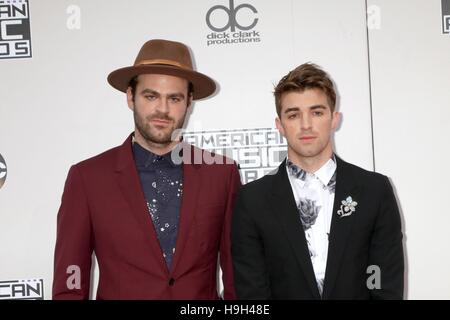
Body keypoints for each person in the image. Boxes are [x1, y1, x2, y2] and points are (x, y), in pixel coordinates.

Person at [52, 39, 241, 299]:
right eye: (151, 96)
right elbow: (70, 282)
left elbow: (238, 276)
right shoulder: (88, 179)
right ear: (130, 97)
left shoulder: (221, 175)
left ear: (189, 101)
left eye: (174, 98)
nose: (162, 109)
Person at [231, 63, 404, 299]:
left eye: (317, 112)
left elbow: (385, 286)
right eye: (293, 115)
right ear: (280, 125)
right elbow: (252, 294)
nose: (306, 125)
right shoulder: (252, 200)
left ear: (334, 119)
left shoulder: (374, 191)